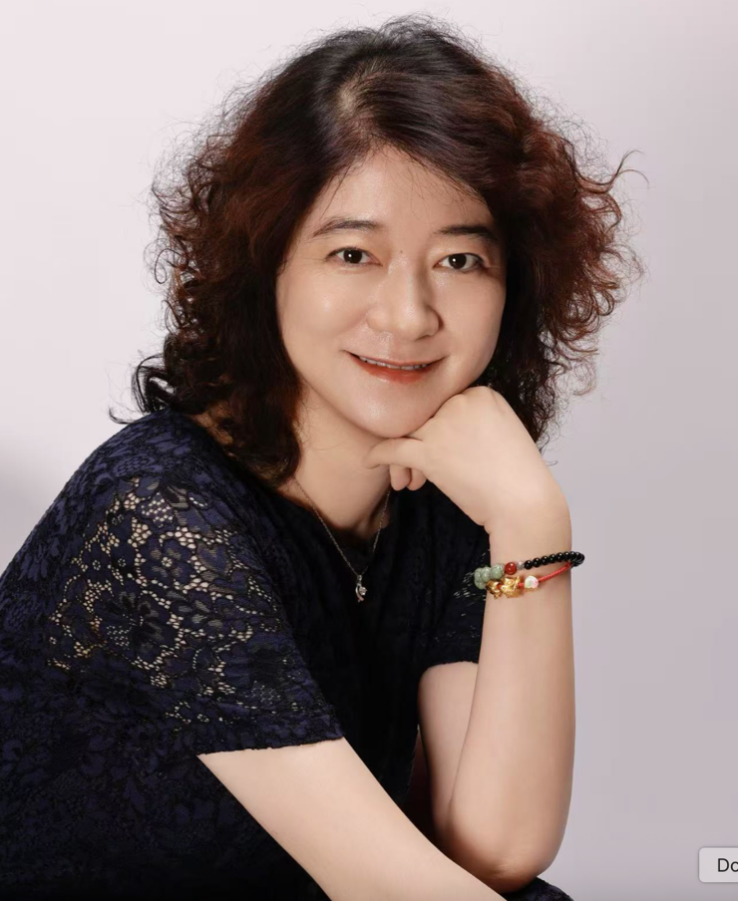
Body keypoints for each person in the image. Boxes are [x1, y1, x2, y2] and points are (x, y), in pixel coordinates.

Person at [0, 13, 643, 901]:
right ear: (266, 266)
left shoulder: (441, 500)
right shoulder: (157, 515)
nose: (408, 314)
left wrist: (531, 521)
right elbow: (391, 886)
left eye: (460, 260)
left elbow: (497, 849)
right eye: (353, 253)